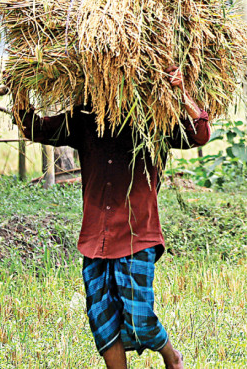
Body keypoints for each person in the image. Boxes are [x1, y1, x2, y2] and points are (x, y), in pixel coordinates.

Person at [16, 67, 209, 369]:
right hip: (95, 238)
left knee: (141, 317)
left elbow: (198, 134)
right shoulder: (82, 119)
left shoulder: (153, 118)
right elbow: (33, 127)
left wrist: (181, 91)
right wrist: (20, 87)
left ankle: (172, 357)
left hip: (137, 233)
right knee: (103, 322)